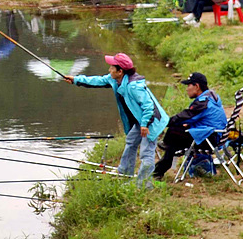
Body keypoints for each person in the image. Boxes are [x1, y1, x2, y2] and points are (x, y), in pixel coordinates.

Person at [63, 53, 168, 186]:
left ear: (120, 71)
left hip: (151, 122)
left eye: (112, 67)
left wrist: (144, 125)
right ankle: (124, 175)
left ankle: (143, 185)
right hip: (140, 120)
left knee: (146, 153)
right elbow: (97, 80)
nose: (109, 70)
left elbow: (149, 107)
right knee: (131, 142)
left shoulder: (134, 86)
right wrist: (76, 80)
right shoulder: (115, 80)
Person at [153, 72, 227, 180]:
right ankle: (160, 169)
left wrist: (164, 122)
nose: (187, 89)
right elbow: (194, 118)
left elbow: (184, 116)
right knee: (177, 135)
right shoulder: (210, 97)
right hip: (214, 136)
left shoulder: (202, 103)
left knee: (174, 131)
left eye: (189, 85)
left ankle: (161, 163)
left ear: (196, 86)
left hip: (209, 139)